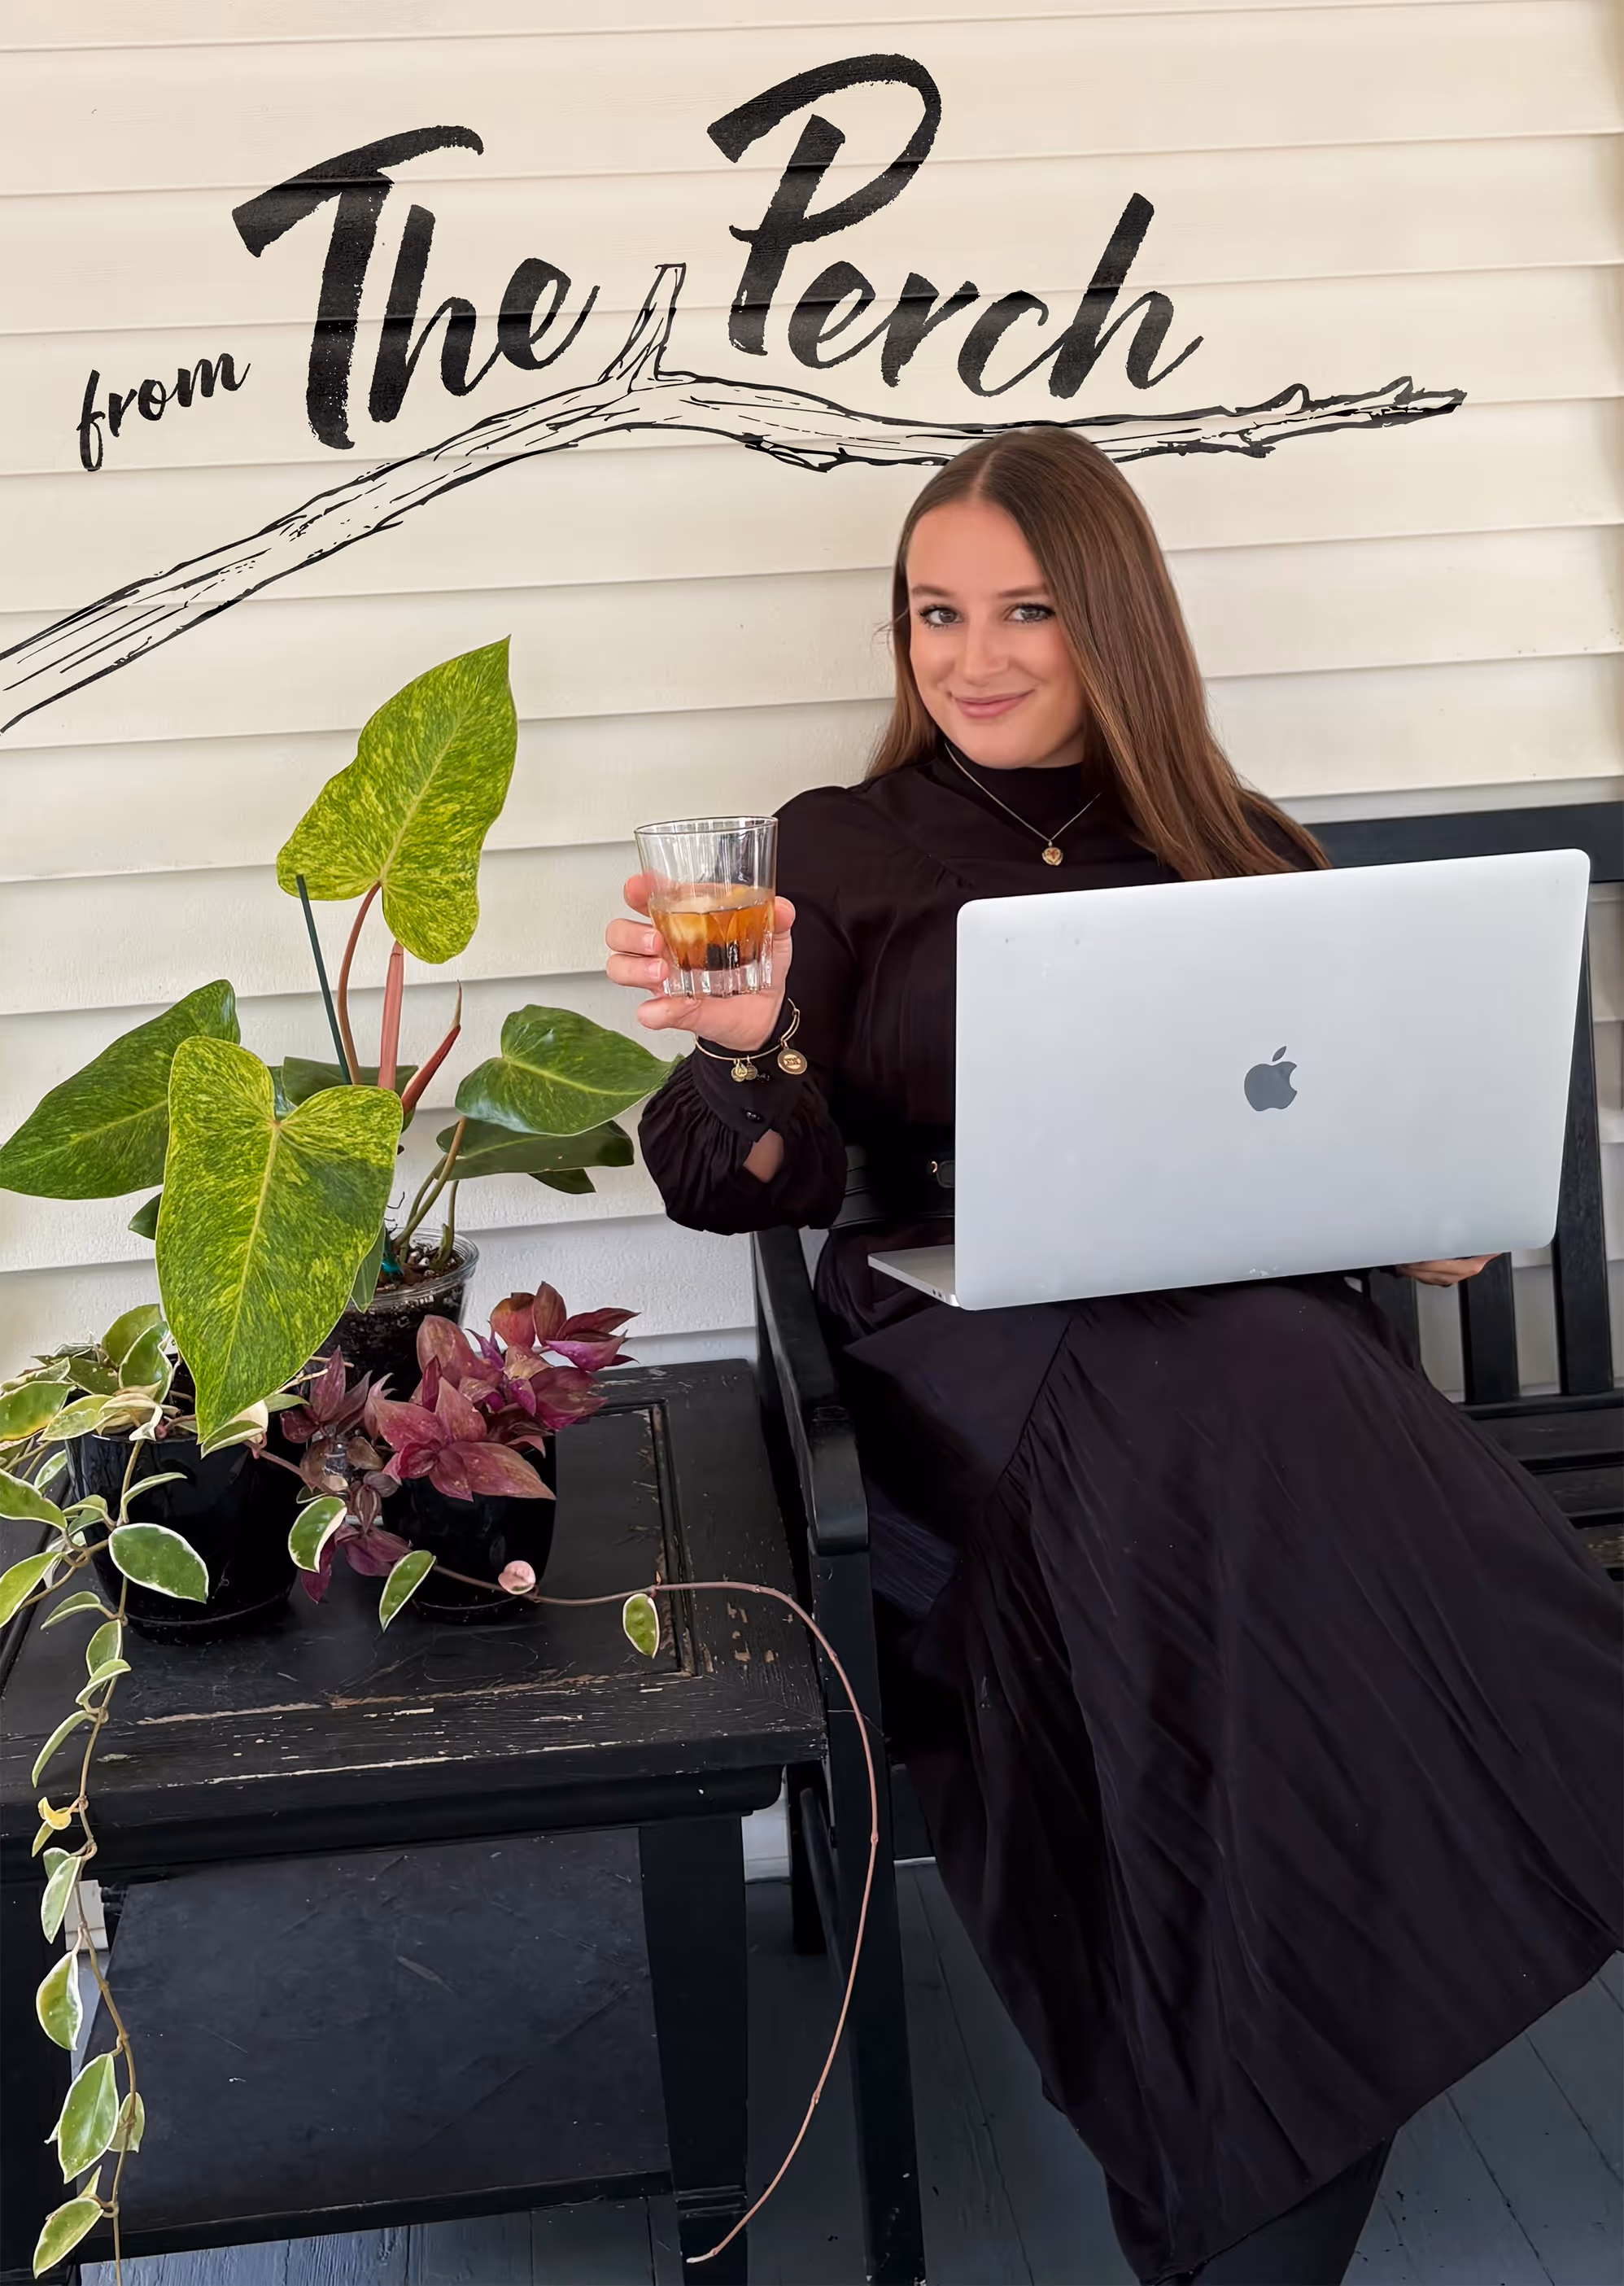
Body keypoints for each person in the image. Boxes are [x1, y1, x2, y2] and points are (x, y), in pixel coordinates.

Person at [605, 430, 1622, 2284]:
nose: (971, 654)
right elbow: (733, 1185)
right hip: (969, 1366)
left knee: (1264, 1472)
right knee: (1265, 1424)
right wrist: (750, 1046)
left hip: (1233, 1373)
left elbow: (1329, 1172)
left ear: (1115, 626)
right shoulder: (838, 844)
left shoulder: (1236, 853)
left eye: (1026, 610)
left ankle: (1265, 2105)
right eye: (935, 611)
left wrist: (1420, 1211)